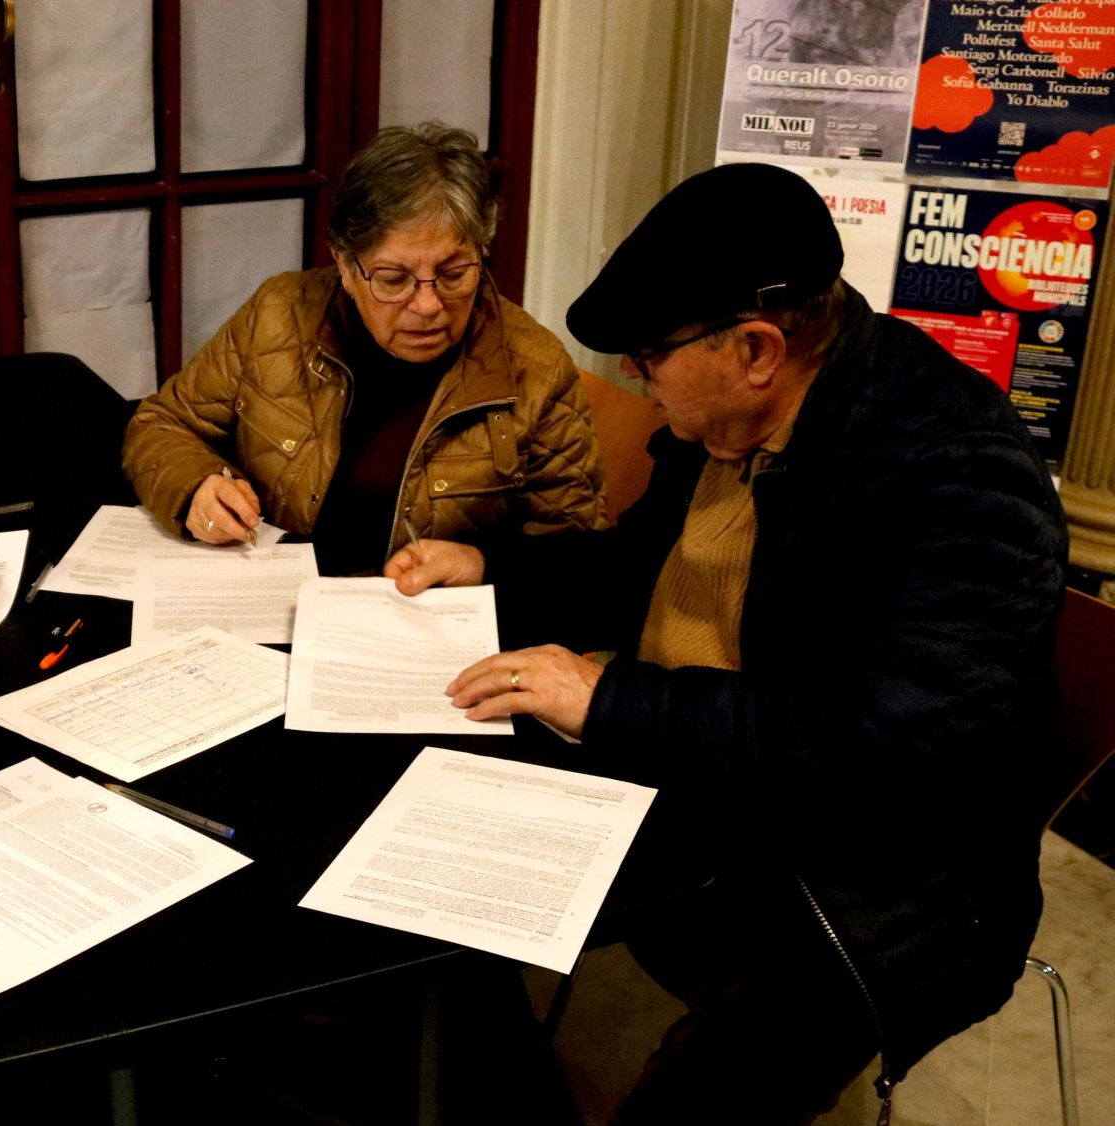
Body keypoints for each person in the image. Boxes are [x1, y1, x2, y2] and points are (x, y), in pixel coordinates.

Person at [390, 164, 1067, 1123]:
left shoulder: (957, 476)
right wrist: (490, 567)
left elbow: (888, 754)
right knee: (427, 845)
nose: (632, 375)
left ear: (755, 347)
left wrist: (612, 701)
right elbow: (637, 567)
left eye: (652, 353)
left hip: (878, 894)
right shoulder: (739, 419)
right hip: (712, 778)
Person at [122, 122, 607, 577]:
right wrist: (196, 488)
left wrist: (481, 565)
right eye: (393, 280)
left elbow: (576, 561)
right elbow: (161, 425)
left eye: (454, 274)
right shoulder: (279, 316)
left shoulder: (535, 368)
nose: (427, 304)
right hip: (269, 607)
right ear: (345, 266)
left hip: (424, 635)